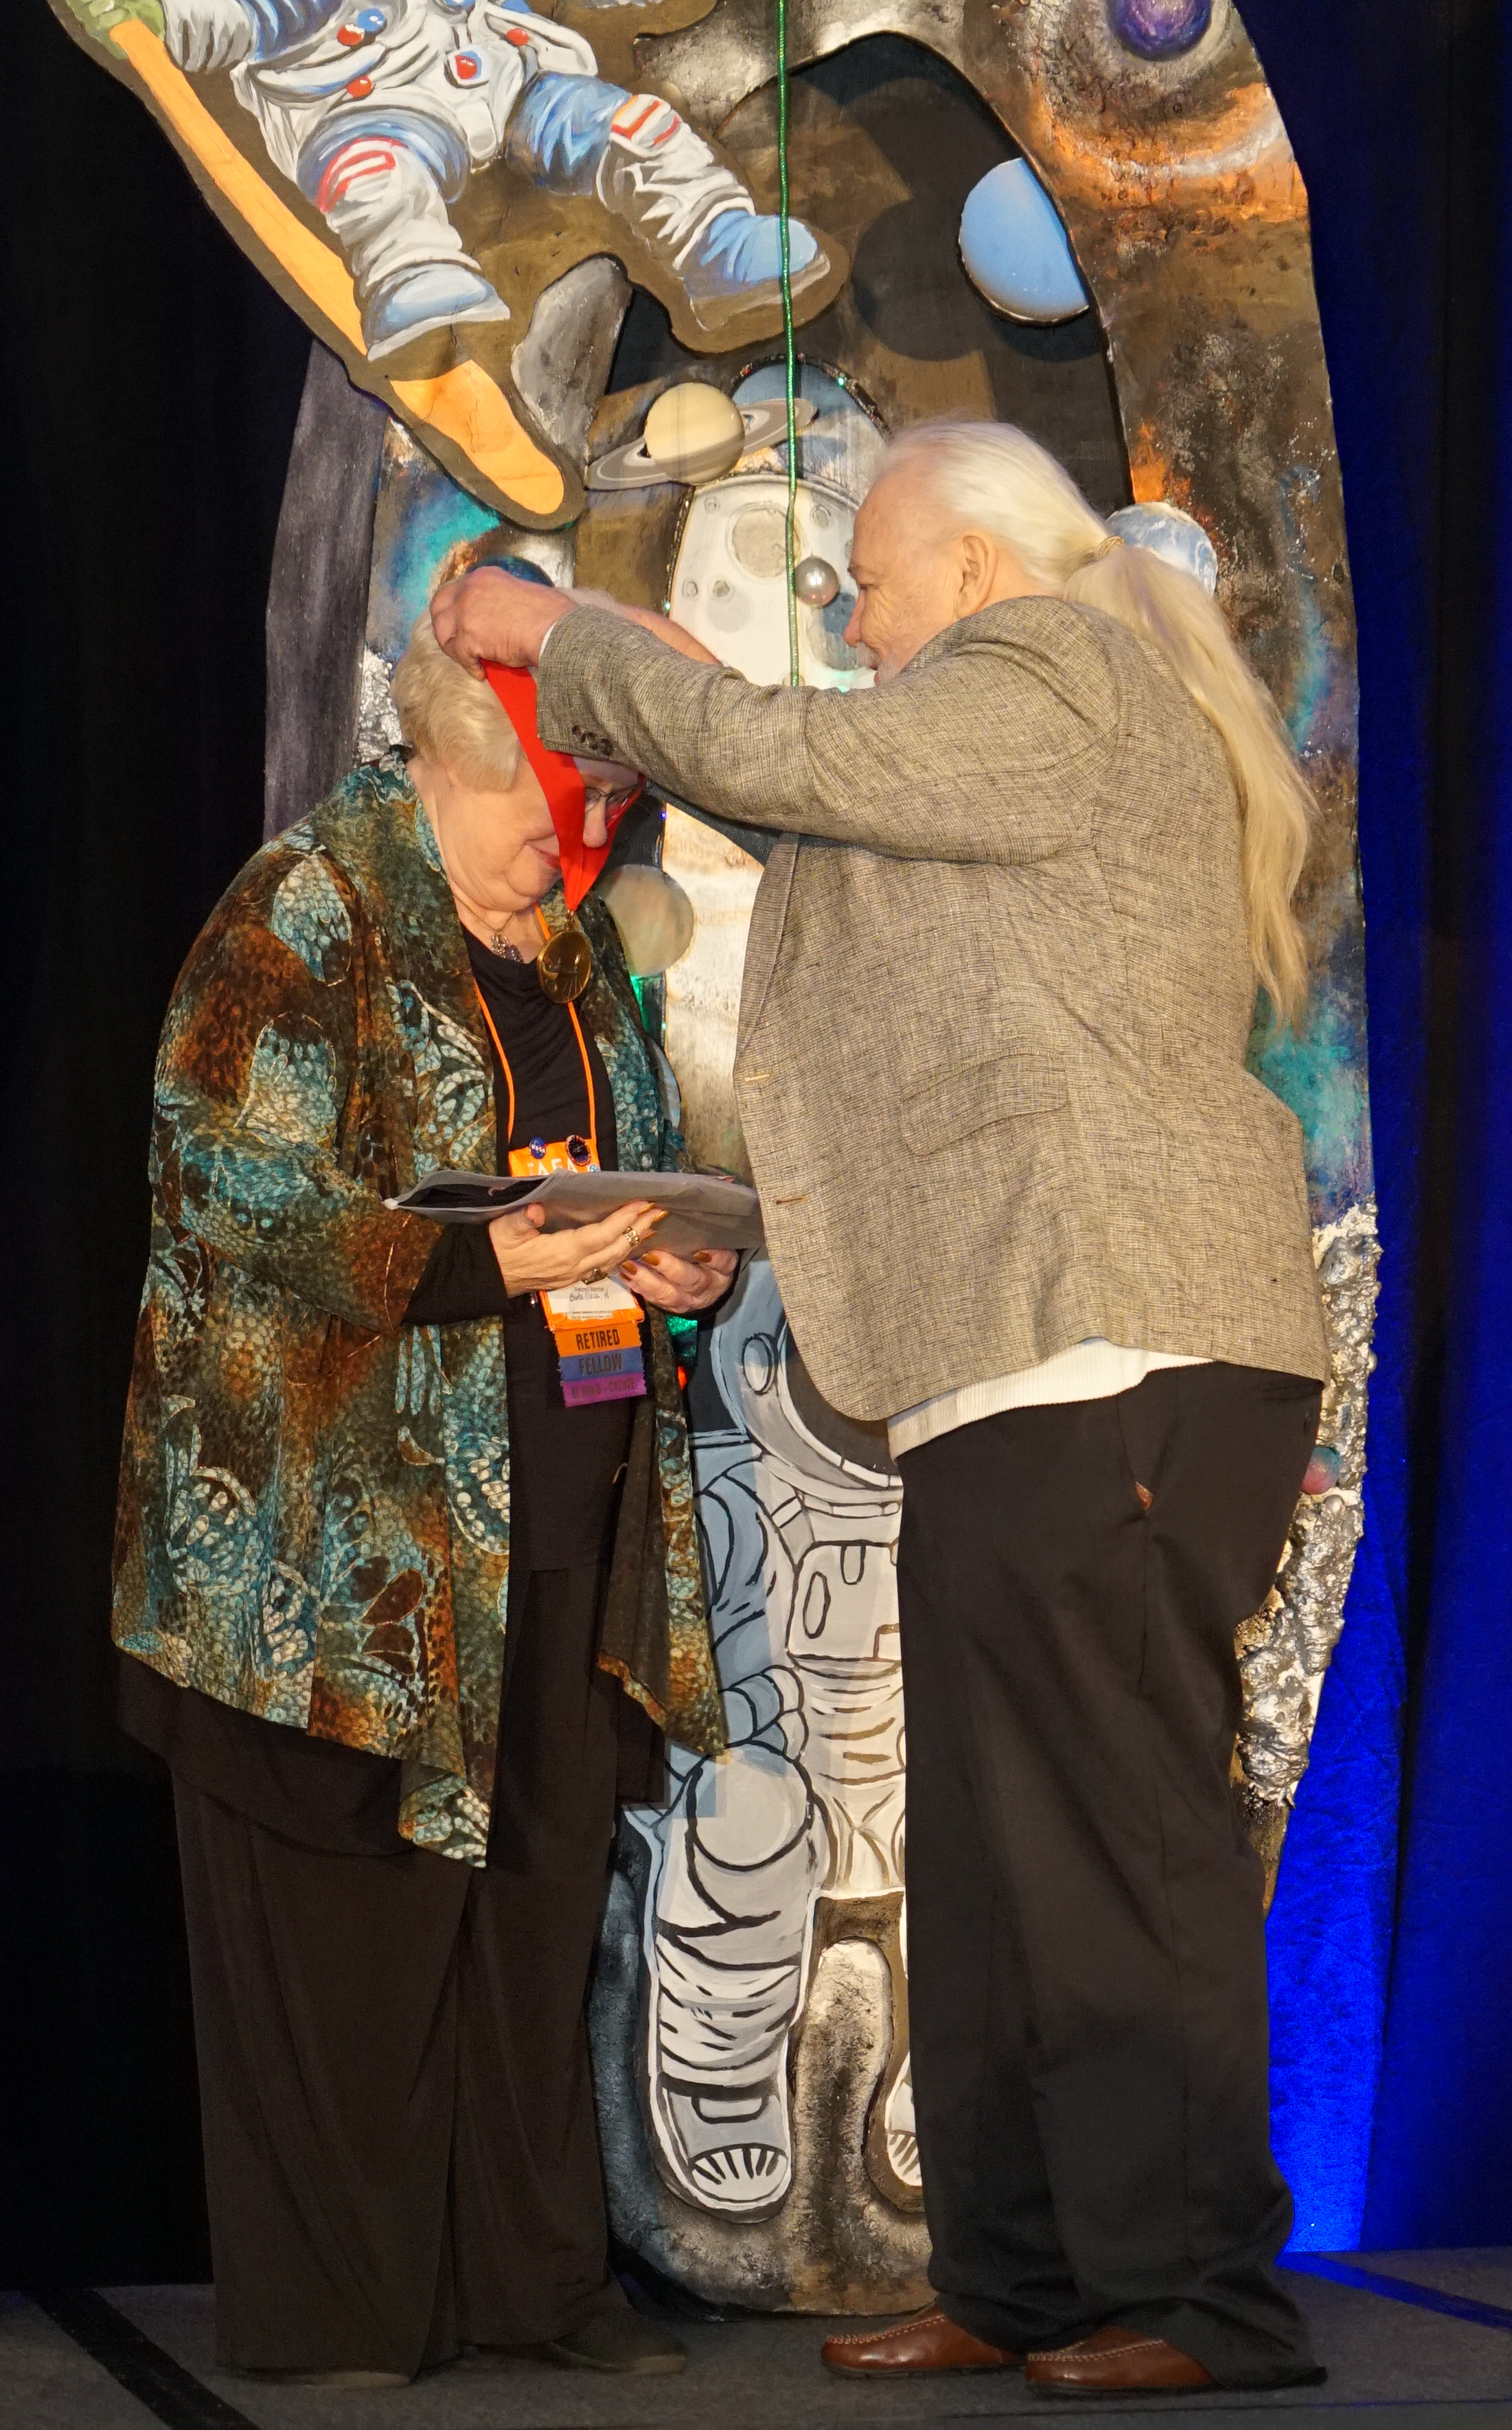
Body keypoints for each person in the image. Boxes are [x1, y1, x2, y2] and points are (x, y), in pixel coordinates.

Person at [428, 421, 1333, 2397]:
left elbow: (783, 756)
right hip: (1015, 1354)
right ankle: (1024, 2272)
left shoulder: (1058, 669)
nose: (850, 618)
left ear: (981, 572)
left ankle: (1196, 2291)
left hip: (1116, 1341)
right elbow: (821, 825)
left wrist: (555, 631)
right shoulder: (990, 749)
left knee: (1113, 1835)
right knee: (995, 1856)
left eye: (873, 582)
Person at [114, 600, 736, 2385]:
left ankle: (535, 2288)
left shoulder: (567, 944)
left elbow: (614, 1163)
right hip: (339, 1551)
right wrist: (486, 1263)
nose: (574, 848)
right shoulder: (307, 907)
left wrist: (669, 1257)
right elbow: (225, 1187)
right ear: (455, 760)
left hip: (556, 1510)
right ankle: (350, 2312)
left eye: (595, 817)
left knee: (536, 1917)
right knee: (361, 1940)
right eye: (549, 812)